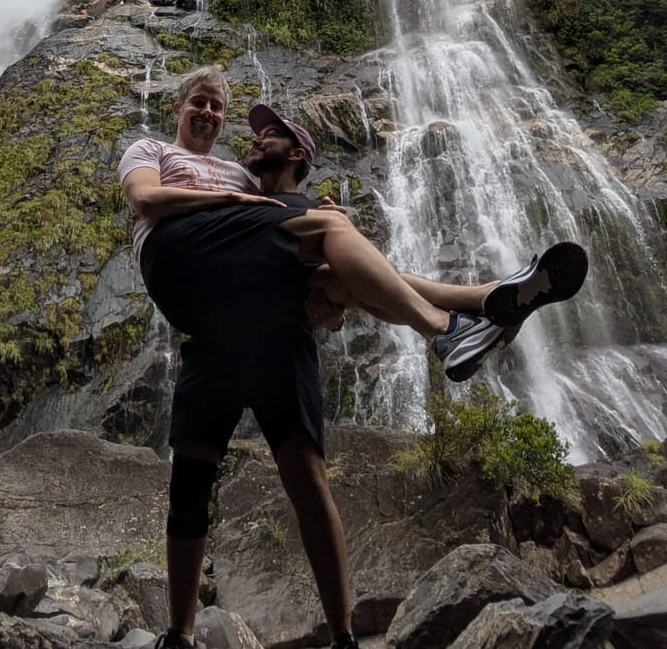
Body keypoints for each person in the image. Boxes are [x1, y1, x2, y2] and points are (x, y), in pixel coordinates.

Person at [118, 66, 588, 649]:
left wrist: (321, 281)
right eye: (200, 103)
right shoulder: (155, 151)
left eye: (218, 105)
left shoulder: (248, 178)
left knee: (307, 474)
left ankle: (341, 637)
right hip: (200, 287)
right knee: (192, 478)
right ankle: (453, 322)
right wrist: (260, 207)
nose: (213, 115)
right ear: (179, 108)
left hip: (264, 318)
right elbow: (145, 197)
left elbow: (320, 282)